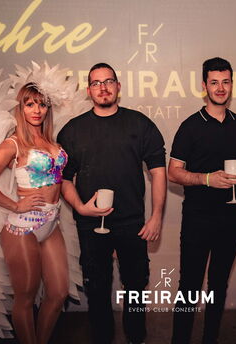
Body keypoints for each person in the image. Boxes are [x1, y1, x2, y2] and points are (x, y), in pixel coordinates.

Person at [0, 82, 103, 344]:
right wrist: (15, 205)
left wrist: (80, 205)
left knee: (58, 293)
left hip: (51, 224)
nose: (37, 110)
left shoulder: (52, 143)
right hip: (23, 227)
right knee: (25, 298)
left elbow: (61, 181)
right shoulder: (14, 143)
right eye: (30, 104)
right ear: (20, 108)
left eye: (42, 104)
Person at [58, 62, 167, 344]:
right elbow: (63, 179)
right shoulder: (73, 131)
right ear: (89, 90)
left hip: (132, 223)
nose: (103, 88)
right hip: (90, 223)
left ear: (118, 86)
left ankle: (136, 338)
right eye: (96, 83)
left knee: (136, 286)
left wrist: (156, 216)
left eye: (108, 82)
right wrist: (80, 207)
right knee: (97, 289)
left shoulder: (140, 124)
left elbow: (158, 172)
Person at [168, 57, 236, 344]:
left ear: (232, 84)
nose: (220, 88)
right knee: (190, 286)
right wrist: (207, 179)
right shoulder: (191, 126)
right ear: (204, 86)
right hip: (198, 218)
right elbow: (173, 172)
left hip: (233, 218)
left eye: (225, 82)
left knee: (219, 285)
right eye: (214, 82)